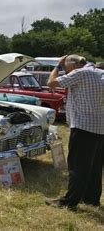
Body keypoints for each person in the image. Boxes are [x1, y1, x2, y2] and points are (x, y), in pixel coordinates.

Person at [45, 54, 104, 211]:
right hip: (99, 128)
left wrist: (57, 66)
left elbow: (50, 83)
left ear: (74, 64)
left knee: (77, 166)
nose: (66, 71)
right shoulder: (99, 72)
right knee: (94, 167)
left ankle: (69, 202)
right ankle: (91, 199)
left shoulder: (80, 73)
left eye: (66, 67)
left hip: (82, 126)